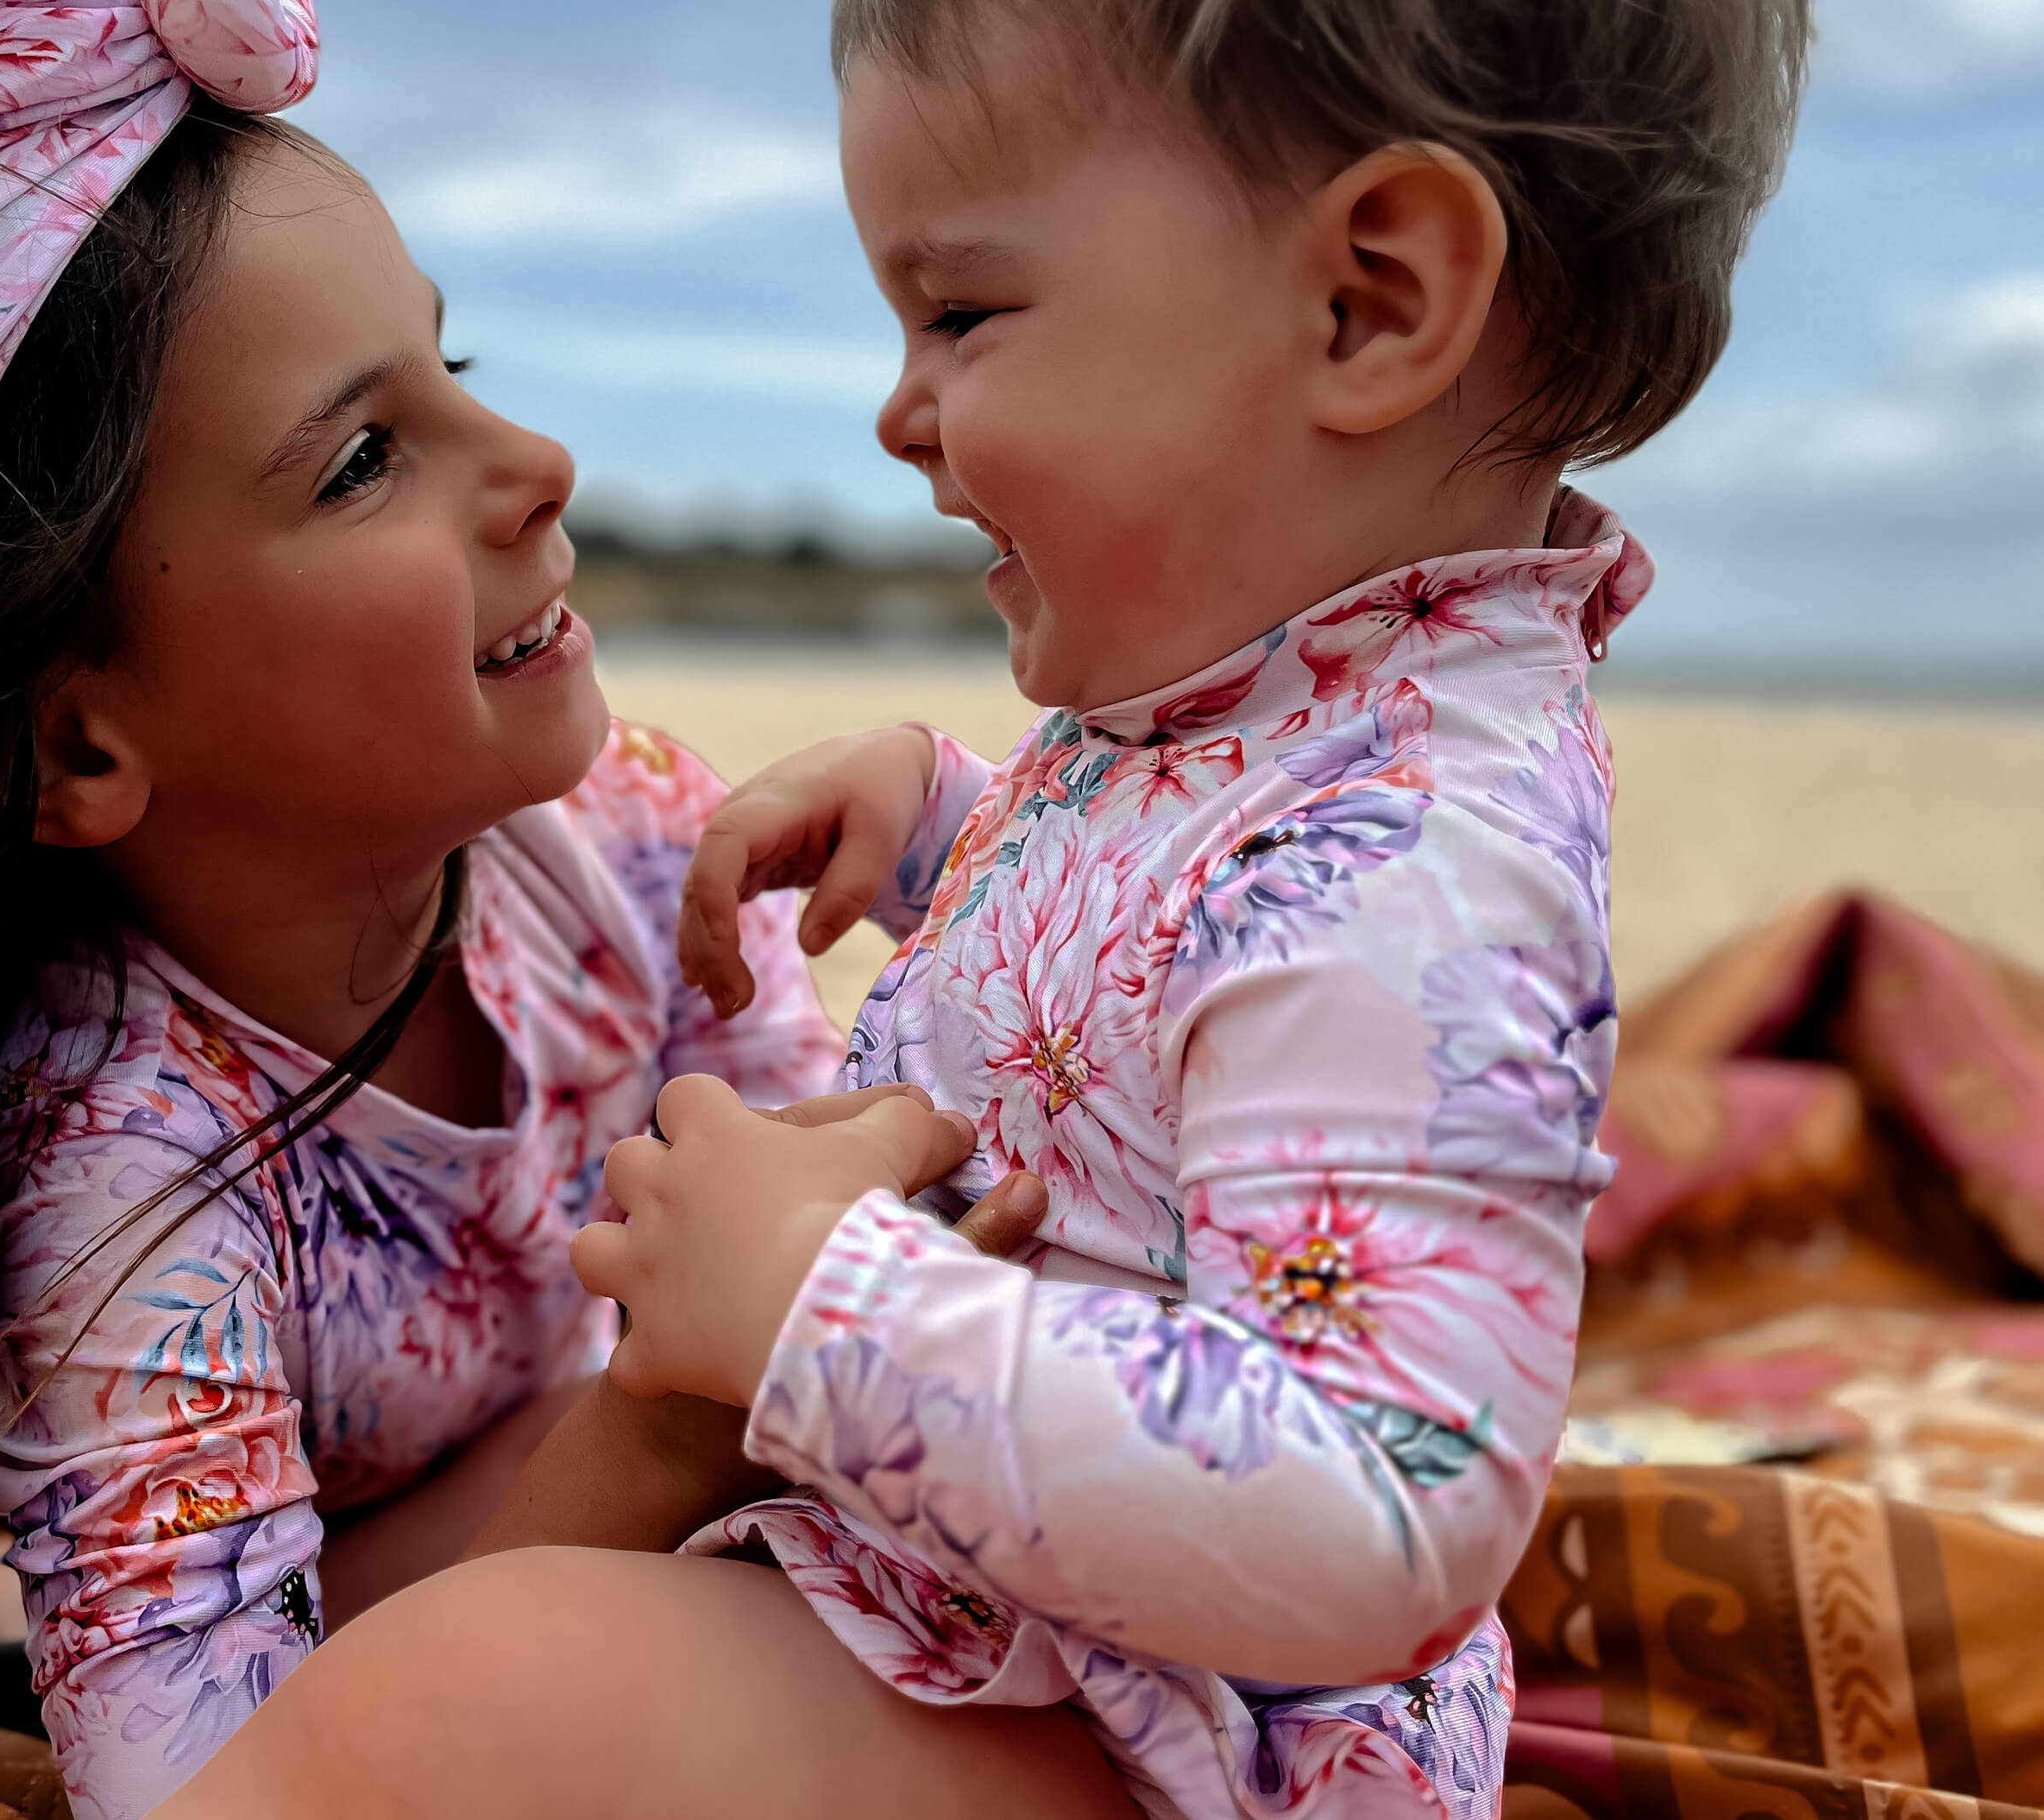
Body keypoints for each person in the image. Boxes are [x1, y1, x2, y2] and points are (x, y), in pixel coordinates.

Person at [142, 2, 1808, 1817]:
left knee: (462, 1696)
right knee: (503, 1649)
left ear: (1369, 303)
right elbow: (1176, 990)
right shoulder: (1269, 722)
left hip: (1186, 1738)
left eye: (958, 316)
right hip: (1031, 1641)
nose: (897, 414)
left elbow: (1388, 1506)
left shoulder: (1423, 860)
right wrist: (953, 824)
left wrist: (817, 1300)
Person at [0, 4, 1055, 1815]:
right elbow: (216, 1780)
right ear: (74, 736)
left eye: (454, 363)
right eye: (362, 457)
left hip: (502, 1522)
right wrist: (676, 1410)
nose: (536, 459)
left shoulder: (627, 842)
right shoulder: (108, 1167)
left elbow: (877, 1219)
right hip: (265, 1580)